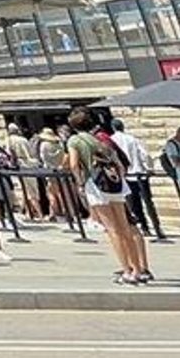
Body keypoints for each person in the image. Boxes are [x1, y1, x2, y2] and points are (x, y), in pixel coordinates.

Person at [64, 109, 149, 285]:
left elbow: (73, 164)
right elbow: (119, 163)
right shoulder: (99, 138)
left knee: (112, 230)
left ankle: (126, 270)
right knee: (125, 228)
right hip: (116, 184)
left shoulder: (75, 140)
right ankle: (138, 269)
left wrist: (80, 182)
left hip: (96, 184)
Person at [110, 119, 165, 243]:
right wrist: (149, 168)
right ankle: (156, 227)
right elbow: (145, 154)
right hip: (139, 173)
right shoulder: (132, 139)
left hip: (127, 175)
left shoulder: (112, 140)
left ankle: (142, 226)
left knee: (133, 203)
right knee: (148, 202)